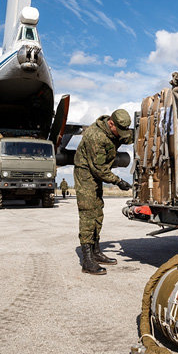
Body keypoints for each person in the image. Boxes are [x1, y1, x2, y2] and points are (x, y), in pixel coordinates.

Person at [74, 109, 133, 275]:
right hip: (86, 173)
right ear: (111, 123)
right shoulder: (95, 136)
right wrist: (118, 181)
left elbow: (128, 137)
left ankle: (96, 251)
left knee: (98, 212)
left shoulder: (113, 130)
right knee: (88, 212)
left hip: (97, 172)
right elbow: (99, 169)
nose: (120, 134)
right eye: (119, 130)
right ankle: (87, 260)